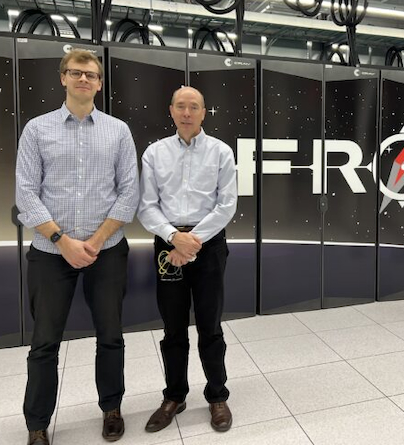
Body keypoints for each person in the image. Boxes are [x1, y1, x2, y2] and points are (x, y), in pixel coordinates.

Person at [16, 49, 139, 445]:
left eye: (90, 74)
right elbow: (26, 194)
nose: (83, 79)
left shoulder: (118, 131)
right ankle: (37, 424)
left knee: (110, 335)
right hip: (52, 254)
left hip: (107, 252)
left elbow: (128, 193)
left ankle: (112, 408)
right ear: (63, 79)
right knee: (45, 343)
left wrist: (96, 241)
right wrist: (62, 241)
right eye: (75, 73)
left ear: (100, 84)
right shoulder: (37, 129)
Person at [138, 86, 237, 433]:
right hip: (168, 243)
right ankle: (175, 395)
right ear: (171, 110)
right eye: (180, 106)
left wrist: (191, 242)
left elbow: (226, 206)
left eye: (194, 106)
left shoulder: (221, 152)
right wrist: (174, 238)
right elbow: (146, 206)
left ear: (203, 112)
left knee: (210, 326)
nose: (187, 112)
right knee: (173, 328)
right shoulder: (155, 153)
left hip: (208, 245)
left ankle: (217, 395)